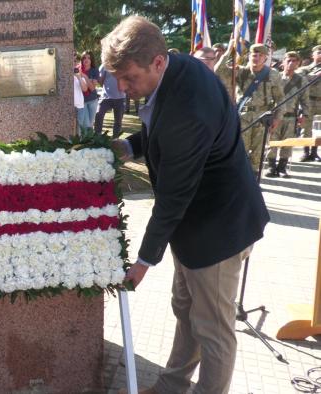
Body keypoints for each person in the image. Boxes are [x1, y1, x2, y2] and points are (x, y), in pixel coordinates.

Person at [104, 16, 269, 394]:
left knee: (213, 330)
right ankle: (172, 386)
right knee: (186, 309)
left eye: (128, 77)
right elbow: (158, 128)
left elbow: (173, 196)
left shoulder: (188, 107)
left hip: (217, 231)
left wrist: (143, 261)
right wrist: (129, 146)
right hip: (195, 227)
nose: (122, 88)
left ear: (158, 62)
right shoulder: (175, 70)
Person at [217, 43, 286, 171]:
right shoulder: (240, 71)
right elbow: (219, 71)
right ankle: (239, 180)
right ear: (249, 56)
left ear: (265, 58)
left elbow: (280, 98)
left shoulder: (273, 74)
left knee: (258, 154)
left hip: (262, 118)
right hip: (242, 117)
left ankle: (254, 181)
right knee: (239, 151)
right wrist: (229, 51)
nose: (257, 58)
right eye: (254, 54)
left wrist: (277, 118)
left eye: (261, 55)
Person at [266, 51, 309, 177]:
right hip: (275, 116)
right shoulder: (276, 77)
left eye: (294, 61)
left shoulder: (301, 80)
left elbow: (305, 100)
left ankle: (282, 167)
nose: (291, 63)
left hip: (291, 116)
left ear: (298, 63)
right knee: (272, 142)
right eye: (288, 60)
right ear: (283, 62)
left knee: (288, 143)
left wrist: (304, 115)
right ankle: (271, 167)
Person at [297, 44, 320, 162]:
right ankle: (305, 152)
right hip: (309, 101)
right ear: (313, 55)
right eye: (319, 53)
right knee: (306, 128)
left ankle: (315, 152)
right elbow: (300, 81)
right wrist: (315, 76)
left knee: (318, 129)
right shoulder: (305, 69)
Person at [94, 62, 127, 138]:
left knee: (118, 121)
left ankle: (115, 140)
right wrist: (107, 88)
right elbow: (100, 79)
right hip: (106, 97)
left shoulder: (124, 63)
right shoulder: (105, 64)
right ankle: (97, 138)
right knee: (99, 115)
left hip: (120, 97)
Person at [77, 51, 99, 134]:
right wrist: (90, 81)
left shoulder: (95, 70)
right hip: (81, 102)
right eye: (84, 58)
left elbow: (92, 88)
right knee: (82, 124)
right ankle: (81, 142)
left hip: (92, 100)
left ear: (91, 60)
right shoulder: (77, 69)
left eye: (89, 58)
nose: (86, 60)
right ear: (82, 59)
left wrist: (85, 76)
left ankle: (89, 142)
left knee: (90, 123)